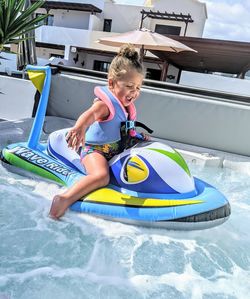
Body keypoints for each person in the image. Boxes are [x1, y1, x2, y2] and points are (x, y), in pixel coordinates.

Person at [49, 44, 147, 219]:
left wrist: (139, 137)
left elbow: (125, 130)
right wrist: (80, 127)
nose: (134, 91)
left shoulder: (126, 108)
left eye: (138, 87)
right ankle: (63, 199)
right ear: (112, 83)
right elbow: (90, 114)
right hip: (95, 151)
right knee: (102, 176)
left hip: (114, 152)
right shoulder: (105, 105)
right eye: (129, 86)